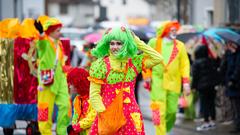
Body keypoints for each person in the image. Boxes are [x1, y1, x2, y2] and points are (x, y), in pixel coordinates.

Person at [88, 26, 164, 134]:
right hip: (108, 115)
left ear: (126, 44)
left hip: (130, 115)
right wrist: (104, 113)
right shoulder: (100, 65)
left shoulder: (134, 62)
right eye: (112, 43)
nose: (115, 47)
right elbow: (94, 94)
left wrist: (136, 41)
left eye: (119, 43)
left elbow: (158, 58)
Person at [143, 21, 191, 135]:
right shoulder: (154, 43)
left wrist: (186, 82)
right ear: (165, 30)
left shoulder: (180, 46)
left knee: (172, 111)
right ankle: (161, 133)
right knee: (158, 111)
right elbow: (145, 59)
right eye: (172, 30)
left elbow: (184, 64)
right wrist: (147, 75)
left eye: (176, 30)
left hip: (174, 83)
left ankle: (166, 130)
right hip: (157, 82)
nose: (175, 32)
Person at [34, 17, 71, 135]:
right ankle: (46, 133)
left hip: (60, 80)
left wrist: (64, 68)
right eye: (57, 31)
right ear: (50, 31)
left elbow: (60, 60)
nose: (60, 33)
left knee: (66, 105)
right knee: (45, 110)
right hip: (47, 81)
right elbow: (41, 44)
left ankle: (61, 131)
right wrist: (41, 33)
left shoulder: (59, 43)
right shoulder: (45, 42)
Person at [191, 45, 219, 131]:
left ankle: (206, 122)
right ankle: (213, 122)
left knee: (204, 104)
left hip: (202, 87)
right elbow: (215, 72)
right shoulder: (211, 60)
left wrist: (193, 87)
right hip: (212, 86)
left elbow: (195, 76)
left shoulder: (196, 63)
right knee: (211, 104)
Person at [65, 67, 96, 135]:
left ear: (79, 84)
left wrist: (76, 127)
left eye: (72, 84)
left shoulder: (93, 98)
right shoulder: (77, 99)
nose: (70, 87)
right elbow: (76, 117)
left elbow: (92, 117)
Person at [224, 41, 240, 134]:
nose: (228, 45)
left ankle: (238, 127)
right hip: (231, 85)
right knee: (234, 107)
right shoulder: (230, 54)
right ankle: (237, 125)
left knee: (237, 107)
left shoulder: (237, 55)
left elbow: (237, 69)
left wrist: (232, 80)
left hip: (235, 85)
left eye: (230, 44)